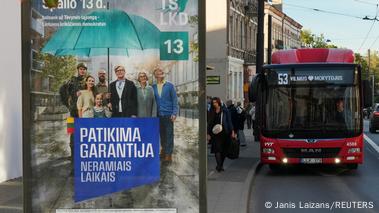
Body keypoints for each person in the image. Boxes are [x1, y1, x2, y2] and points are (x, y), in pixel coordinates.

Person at [59, 62, 87, 160]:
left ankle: (82, 155)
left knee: (84, 133)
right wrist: (68, 105)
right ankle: (72, 155)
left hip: (83, 112)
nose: (82, 71)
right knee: (71, 131)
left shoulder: (87, 81)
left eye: (84, 69)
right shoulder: (72, 80)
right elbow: (62, 90)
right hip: (72, 112)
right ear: (78, 70)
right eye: (81, 69)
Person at [152, 67, 178, 162]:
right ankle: (163, 150)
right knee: (162, 134)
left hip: (168, 114)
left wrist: (174, 113)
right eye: (158, 72)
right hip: (158, 114)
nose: (161, 73)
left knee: (169, 134)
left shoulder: (170, 85)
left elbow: (175, 100)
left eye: (162, 72)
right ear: (155, 75)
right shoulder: (153, 87)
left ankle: (168, 154)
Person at [207, 97, 235, 172]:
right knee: (217, 149)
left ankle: (220, 165)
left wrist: (232, 131)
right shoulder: (211, 111)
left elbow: (229, 121)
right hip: (215, 133)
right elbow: (209, 123)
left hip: (225, 133)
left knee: (224, 151)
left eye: (215, 102)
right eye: (213, 103)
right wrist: (208, 133)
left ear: (219, 102)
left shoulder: (225, 111)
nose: (214, 104)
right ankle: (219, 166)